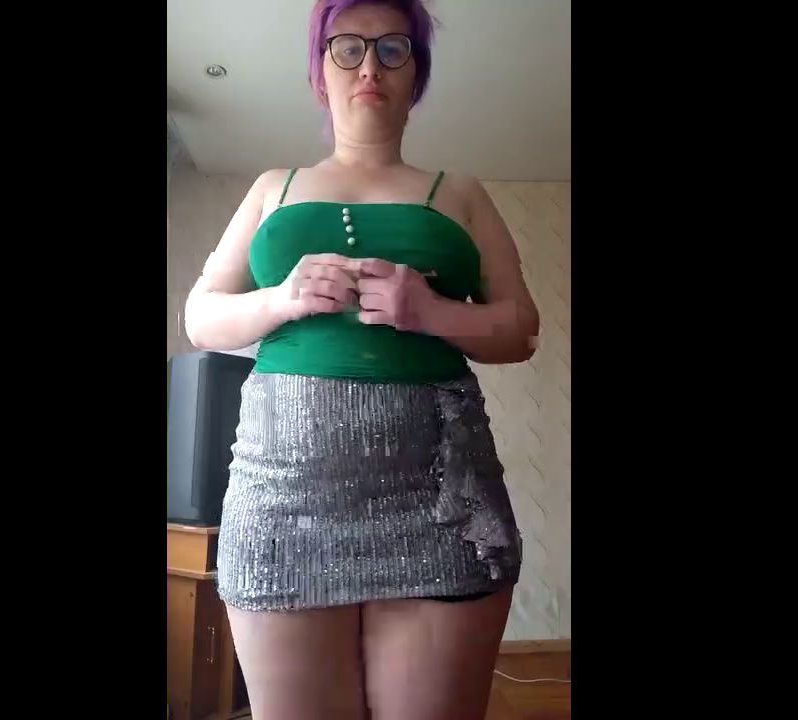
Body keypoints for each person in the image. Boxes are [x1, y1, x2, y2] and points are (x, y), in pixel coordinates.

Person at [184, 1, 540, 718]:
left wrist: (432, 312)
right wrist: (282, 298)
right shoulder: (272, 187)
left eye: (392, 49)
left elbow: (521, 329)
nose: (369, 66)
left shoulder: (460, 192)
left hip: (439, 505)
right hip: (280, 505)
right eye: (347, 48)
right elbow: (200, 319)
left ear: (417, 77)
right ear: (320, 73)